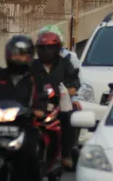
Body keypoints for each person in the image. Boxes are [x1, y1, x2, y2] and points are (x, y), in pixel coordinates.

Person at [0, 35, 52, 181]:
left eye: (22, 54)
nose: (18, 58)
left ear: (30, 56)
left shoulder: (37, 78)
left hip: (26, 125)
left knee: (30, 151)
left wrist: (37, 111)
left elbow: (42, 100)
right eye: (15, 54)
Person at [33, 31, 80, 170]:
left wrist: (66, 91)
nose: (46, 52)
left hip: (59, 105)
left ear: (57, 49)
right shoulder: (32, 66)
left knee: (69, 118)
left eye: (50, 48)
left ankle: (66, 154)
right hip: (37, 106)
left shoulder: (65, 64)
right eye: (42, 48)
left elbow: (75, 84)